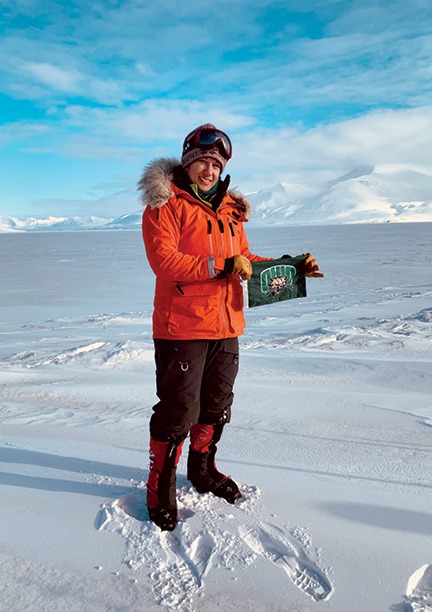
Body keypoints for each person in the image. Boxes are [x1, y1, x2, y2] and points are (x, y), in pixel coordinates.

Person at [139, 124, 322, 531]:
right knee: (177, 411)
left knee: (217, 405)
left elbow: (243, 257)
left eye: (215, 163)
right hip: (181, 327)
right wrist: (219, 266)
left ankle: (203, 471)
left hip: (226, 323)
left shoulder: (231, 211)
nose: (208, 169)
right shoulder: (164, 205)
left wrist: (291, 267)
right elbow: (164, 262)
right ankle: (159, 488)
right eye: (201, 161)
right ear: (187, 163)